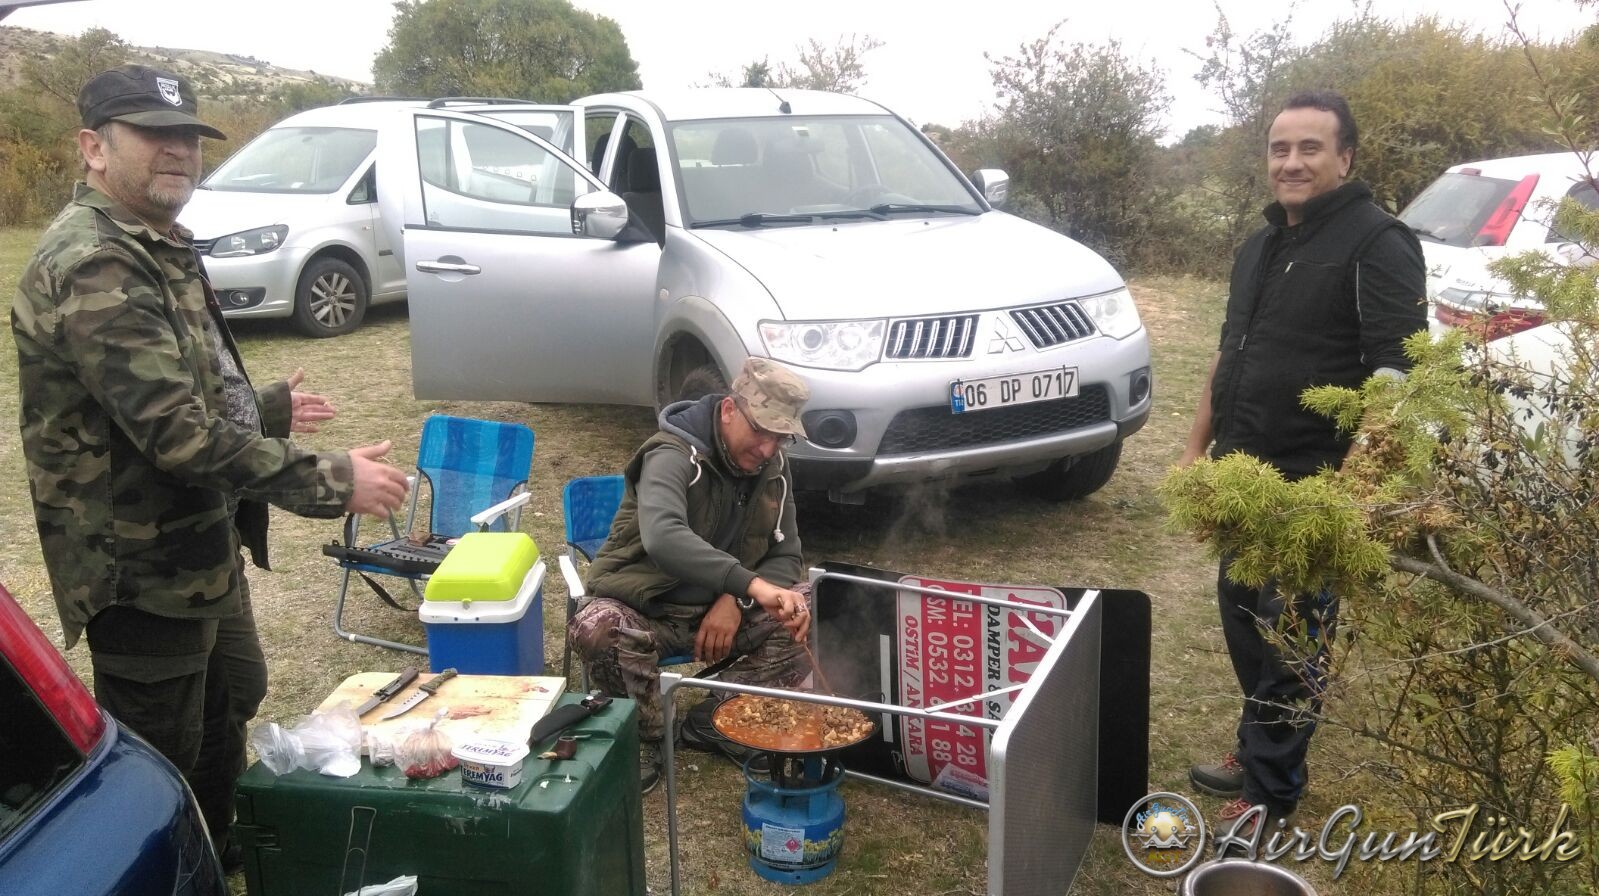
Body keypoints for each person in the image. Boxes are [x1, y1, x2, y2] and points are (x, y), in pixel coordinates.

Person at [12, 65, 411, 869]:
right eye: (153, 135)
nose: (178, 151)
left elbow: (169, 394)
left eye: (188, 137)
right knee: (158, 753)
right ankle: (166, 868)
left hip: (197, 540)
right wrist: (332, 480)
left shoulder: (154, 240)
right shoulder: (95, 261)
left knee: (234, 692)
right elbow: (177, 436)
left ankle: (217, 846)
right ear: (93, 147)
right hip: (138, 566)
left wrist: (263, 407)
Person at [1179, 90, 1426, 836]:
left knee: (1291, 640)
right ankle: (1259, 747)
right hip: (1241, 475)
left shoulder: (1379, 242)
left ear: (1345, 158)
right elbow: (1229, 352)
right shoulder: (1258, 246)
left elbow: (1395, 374)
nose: (1291, 162)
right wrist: (1194, 448)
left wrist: (1350, 491)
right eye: (1279, 148)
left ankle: (1269, 794)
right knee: (1242, 618)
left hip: (1314, 483)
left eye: (1309, 148)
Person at [569, 357, 813, 793]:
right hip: (649, 611)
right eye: (761, 431)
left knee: (818, 604)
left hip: (721, 613)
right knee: (598, 628)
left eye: (781, 437)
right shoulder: (671, 454)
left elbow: (786, 553)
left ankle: (717, 720)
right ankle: (648, 733)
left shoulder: (773, 467)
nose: (768, 449)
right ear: (729, 410)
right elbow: (663, 537)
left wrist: (735, 600)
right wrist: (750, 585)